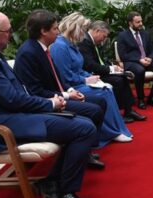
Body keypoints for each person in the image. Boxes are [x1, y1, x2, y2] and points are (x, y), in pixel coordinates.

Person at [0, 10, 97, 198]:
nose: (11, 34)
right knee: (83, 128)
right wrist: (50, 104)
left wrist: (50, 101)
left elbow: (16, 94)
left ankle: (51, 183)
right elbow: (12, 99)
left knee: (82, 122)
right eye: (7, 31)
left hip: (15, 115)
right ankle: (65, 191)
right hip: (1, 126)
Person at [15, 9, 107, 170]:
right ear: (43, 31)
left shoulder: (42, 49)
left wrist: (69, 92)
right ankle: (80, 155)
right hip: (46, 102)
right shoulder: (29, 53)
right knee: (93, 112)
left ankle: (85, 151)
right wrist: (66, 96)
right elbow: (35, 91)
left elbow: (57, 79)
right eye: (55, 29)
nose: (59, 32)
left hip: (56, 95)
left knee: (100, 101)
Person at [50, 12, 133, 145]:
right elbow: (65, 76)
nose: (84, 33)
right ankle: (111, 131)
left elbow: (79, 69)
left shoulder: (71, 44)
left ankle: (117, 129)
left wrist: (90, 77)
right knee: (104, 92)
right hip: (71, 87)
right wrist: (85, 80)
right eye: (83, 30)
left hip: (78, 81)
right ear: (75, 28)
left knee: (107, 88)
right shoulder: (60, 46)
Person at [78, 20, 146, 122]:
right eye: (104, 36)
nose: (104, 40)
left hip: (98, 71)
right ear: (97, 31)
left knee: (123, 76)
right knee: (117, 81)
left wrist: (112, 67)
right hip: (91, 75)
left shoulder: (92, 41)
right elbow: (90, 65)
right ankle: (118, 113)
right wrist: (111, 69)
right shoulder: (84, 43)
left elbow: (100, 61)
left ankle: (129, 110)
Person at [117, 12, 153, 109]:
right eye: (137, 22)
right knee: (140, 70)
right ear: (130, 23)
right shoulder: (122, 36)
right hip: (132, 62)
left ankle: (152, 96)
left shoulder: (145, 34)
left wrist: (150, 58)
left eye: (141, 21)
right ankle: (140, 99)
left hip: (147, 61)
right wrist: (139, 60)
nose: (141, 24)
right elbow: (123, 55)